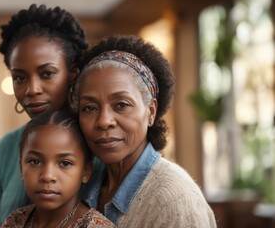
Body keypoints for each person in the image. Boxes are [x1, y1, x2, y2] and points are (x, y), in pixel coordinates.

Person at [73, 35, 217, 227]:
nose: (104, 121)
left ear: (150, 112)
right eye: (89, 108)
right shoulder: (83, 186)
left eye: (121, 105)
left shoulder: (174, 202)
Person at [0, 4, 88, 228]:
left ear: (73, 74)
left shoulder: (96, 145)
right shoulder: (5, 148)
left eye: (47, 74)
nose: (32, 89)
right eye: (19, 78)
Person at [0, 111, 116, 228]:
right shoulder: (14, 220)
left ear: (85, 172)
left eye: (65, 163)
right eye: (35, 162)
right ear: (21, 167)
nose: (47, 176)